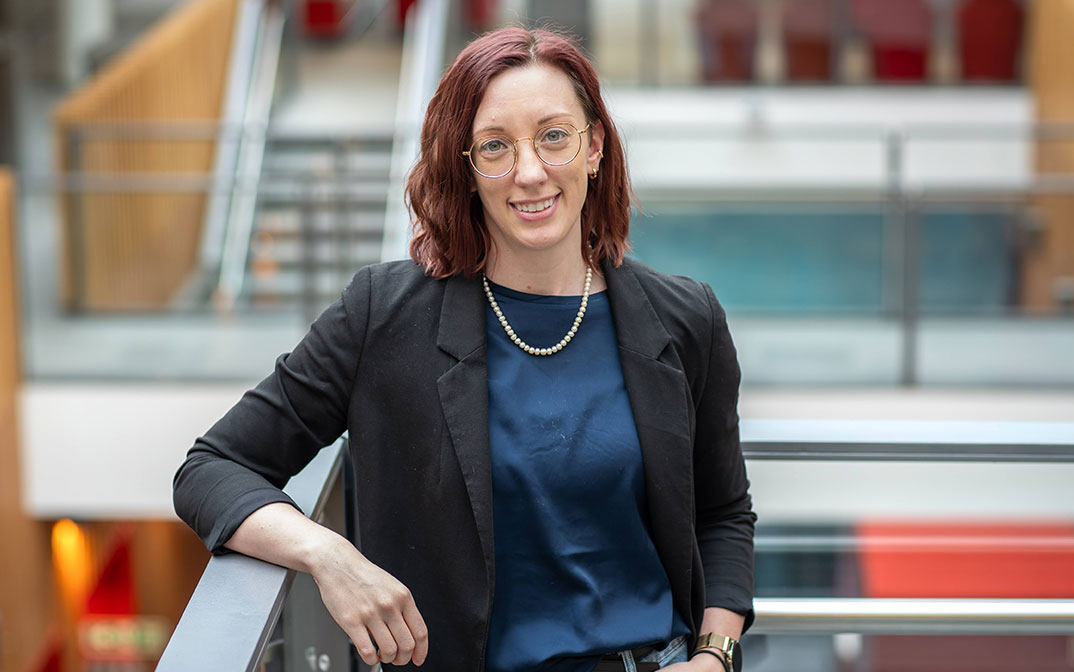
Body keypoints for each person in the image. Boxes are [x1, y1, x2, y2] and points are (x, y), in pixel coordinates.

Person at [173, 26, 755, 672]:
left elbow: (724, 511)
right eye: (496, 147)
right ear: (467, 167)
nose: (529, 172)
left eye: (553, 136)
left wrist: (714, 655)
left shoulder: (684, 318)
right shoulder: (382, 317)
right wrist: (328, 555)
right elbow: (211, 469)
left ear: (594, 147)